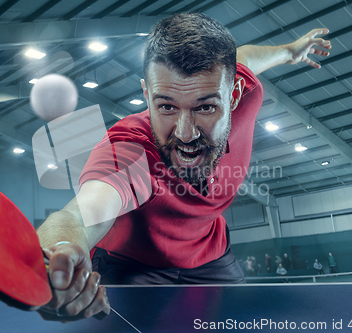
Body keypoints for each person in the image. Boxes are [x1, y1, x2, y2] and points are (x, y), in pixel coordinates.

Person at [36, 13, 330, 321]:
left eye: (205, 107)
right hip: (131, 267)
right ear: (147, 96)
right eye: (166, 107)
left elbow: (243, 57)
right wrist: (61, 255)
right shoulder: (130, 148)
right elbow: (80, 215)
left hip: (210, 258)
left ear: (234, 96)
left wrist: (289, 51)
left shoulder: (247, 97)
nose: (185, 133)